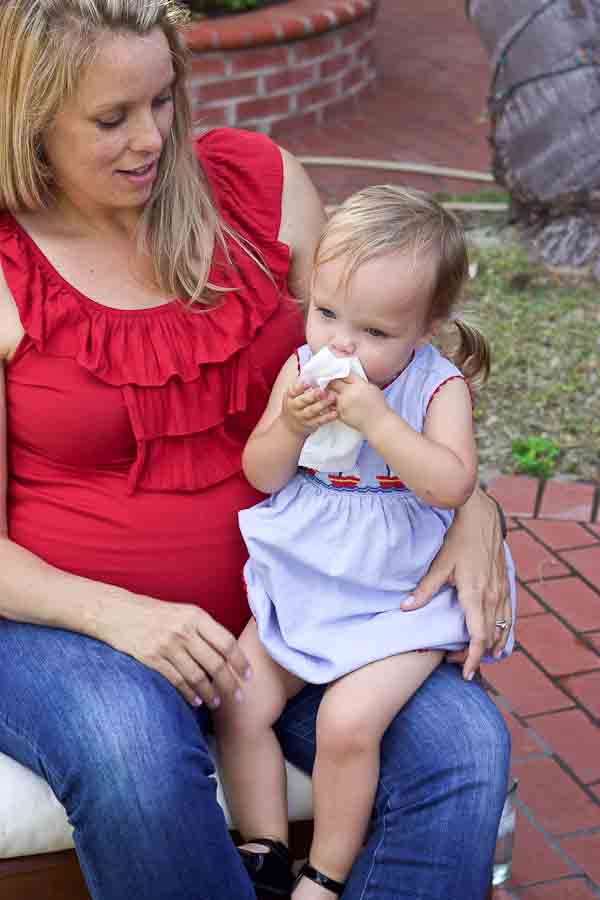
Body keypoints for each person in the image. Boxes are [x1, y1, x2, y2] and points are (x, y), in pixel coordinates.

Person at [0, 2, 512, 899]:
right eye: (111, 118)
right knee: (135, 744)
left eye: (162, 101)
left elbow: (397, 362)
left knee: (463, 745)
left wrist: (474, 506)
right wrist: (124, 616)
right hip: (64, 628)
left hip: (299, 597)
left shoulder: (259, 187)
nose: (151, 138)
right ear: (29, 116)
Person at [214, 186, 516, 899]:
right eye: (325, 314)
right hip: (314, 576)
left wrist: (378, 422)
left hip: (399, 595)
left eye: (374, 333)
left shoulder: (435, 388)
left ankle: (325, 875)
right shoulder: (301, 367)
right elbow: (260, 471)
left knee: (349, 723)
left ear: (426, 328)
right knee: (240, 694)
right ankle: (263, 850)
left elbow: (450, 484)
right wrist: (290, 425)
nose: (339, 346)